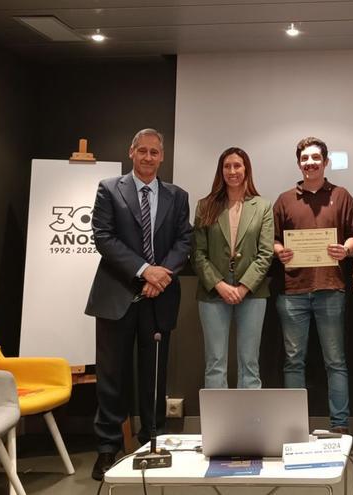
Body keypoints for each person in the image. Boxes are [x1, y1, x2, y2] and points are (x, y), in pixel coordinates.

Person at [85, 128, 192, 480]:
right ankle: (107, 449)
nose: (148, 157)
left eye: (154, 152)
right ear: (131, 152)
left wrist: (160, 276)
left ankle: (153, 441)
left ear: (162, 156)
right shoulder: (109, 188)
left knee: (154, 377)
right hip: (117, 295)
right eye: (142, 151)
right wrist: (145, 270)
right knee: (112, 377)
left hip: (159, 298)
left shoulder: (178, 195)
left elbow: (183, 240)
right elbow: (103, 237)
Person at [272, 136, 353, 433]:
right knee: (293, 361)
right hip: (292, 291)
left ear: (325, 162)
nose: (310, 163)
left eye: (315, 158)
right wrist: (279, 251)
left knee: (335, 360)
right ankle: (293, 426)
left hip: (330, 289)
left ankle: (340, 426)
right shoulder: (284, 199)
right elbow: (272, 239)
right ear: (299, 163)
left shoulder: (342, 195)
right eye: (304, 158)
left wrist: (345, 250)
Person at [193, 147, 274, 389]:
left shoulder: (263, 206)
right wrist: (220, 285)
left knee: (249, 363)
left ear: (246, 169)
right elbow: (197, 253)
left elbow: (266, 253)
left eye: (237, 165)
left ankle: (248, 425)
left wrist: (244, 287)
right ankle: (218, 425)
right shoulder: (205, 205)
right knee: (215, 362)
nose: (232, 171)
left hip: (252, 292)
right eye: (227, 166)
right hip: (212, 291)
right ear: (221, 171)